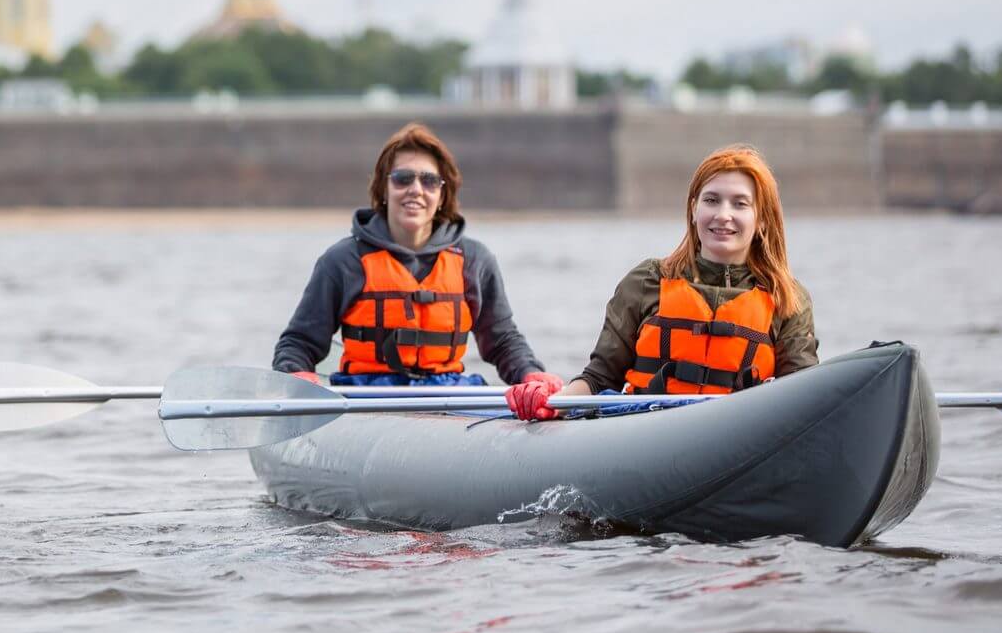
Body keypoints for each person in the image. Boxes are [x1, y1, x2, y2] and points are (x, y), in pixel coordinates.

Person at [506, 142, 819, 419]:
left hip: (737, 435)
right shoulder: (648, 281)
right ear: (694, 209)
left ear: (762, 219)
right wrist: (553, 403)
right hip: (646, 429)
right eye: (711, 200)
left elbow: (804, 399)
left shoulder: (786, 298)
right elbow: (600, 378)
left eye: (740, 204)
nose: (723, 215)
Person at [272, 122, 561, 400]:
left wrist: (529, 373)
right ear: (384, 190)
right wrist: (295, 375)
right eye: (402, 178)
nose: (416, 189)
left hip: (448, 393)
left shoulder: (475, 260)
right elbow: (298, 344)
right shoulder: (343, 260)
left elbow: (503, 341)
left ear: (442, 193)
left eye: (429, 180)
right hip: (366, 395)